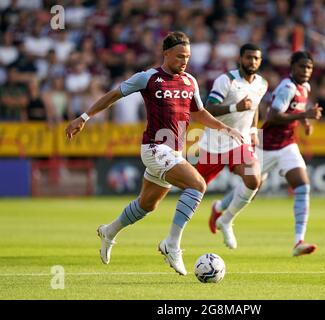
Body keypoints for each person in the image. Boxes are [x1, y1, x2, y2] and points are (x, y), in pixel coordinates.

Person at [65, 31, 243, 275]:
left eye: (188, 57)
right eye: (180, 56)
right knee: (198, 185)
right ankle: (172, 244)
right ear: (166, 53)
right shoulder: (148, 78)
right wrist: (84, 117)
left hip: (175, 152)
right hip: (154, 148)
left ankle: (109, 231)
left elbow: (199, 113)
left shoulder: (190, 81)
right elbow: (114, 95)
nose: (184, 61)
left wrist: (224, 127)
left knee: (147, 205)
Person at [215, 51, 322, 256]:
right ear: (292, 66)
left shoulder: (305, 87)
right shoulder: (287, 87)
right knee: (251, 189)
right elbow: (273, 116)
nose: (306, 71)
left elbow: (294, 110)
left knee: (302, 186)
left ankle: (299, 241)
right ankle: (220, 208)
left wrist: (305, 121)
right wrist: (304, 115)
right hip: (265, 146)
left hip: (287, 146)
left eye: (309, 67)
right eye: (302, 67)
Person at [196, 43, 268, 249]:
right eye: (248, 57)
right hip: (213, 145)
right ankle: (173, 238)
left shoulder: (262, 83)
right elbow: (207, 109)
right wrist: (235, 107)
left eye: (256, 58)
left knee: (254, 180)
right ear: (240, 59)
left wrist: (253, 132)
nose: (252, 62)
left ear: (260, 61)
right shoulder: (226, 80)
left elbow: (253, 108)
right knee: (193, 190)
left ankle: (226, 219)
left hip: (239, 142)